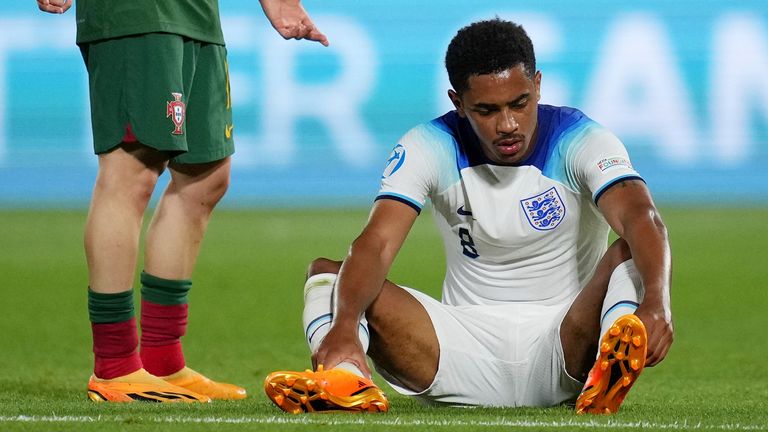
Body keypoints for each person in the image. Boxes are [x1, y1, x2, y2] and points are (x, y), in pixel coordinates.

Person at [264, 18, 673, 414]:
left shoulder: (580, 138)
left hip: (568, 346)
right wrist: (344, 326)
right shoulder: (431, 145)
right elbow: (377, 243)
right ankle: (344, 377)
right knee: (328, 275)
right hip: (457, 353)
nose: (508, 124)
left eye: (520, 103)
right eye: (487, 110)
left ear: (538, 85)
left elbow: (642, 217)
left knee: (630, 250)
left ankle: (613, 358)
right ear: (457, 103)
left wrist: (657, 304)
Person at [37, 0, 328, 403]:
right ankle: (115, 365)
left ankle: (161, 360)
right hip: (135, 15)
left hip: (197, 14)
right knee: (131, 171)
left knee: (205, 177)